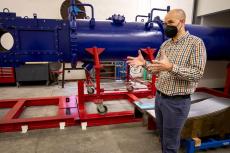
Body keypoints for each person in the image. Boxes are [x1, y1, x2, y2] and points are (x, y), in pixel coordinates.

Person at [127, 9, 207, 153]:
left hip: (177, 102)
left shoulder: (195, 43)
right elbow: (156, 69)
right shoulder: (166, 45)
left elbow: (197, 74)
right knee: (163, 137)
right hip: (160, 99)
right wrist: (144, 63)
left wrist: (171, 67)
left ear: (181, 22)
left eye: (170, 22)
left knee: (171, 143)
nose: (166, 26)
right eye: (165, 23)